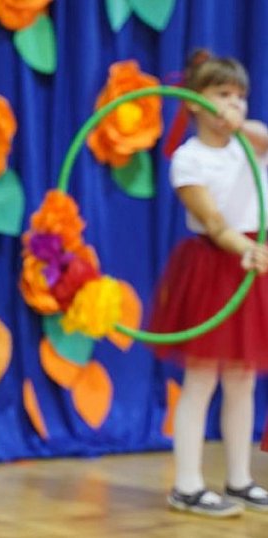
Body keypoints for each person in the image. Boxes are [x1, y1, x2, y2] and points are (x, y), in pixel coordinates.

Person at [150, 49, 268, 518]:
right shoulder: (189, 159)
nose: (233, 104)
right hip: (215, 266)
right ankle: (187, 484)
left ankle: (239, 478)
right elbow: (214, 221)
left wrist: (238, 123)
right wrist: (246, 251)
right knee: (201, 379)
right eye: (222, 95)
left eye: (240, 96)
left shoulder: (250, 142)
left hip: (251, 265)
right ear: (195, 102)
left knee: (242, 379)